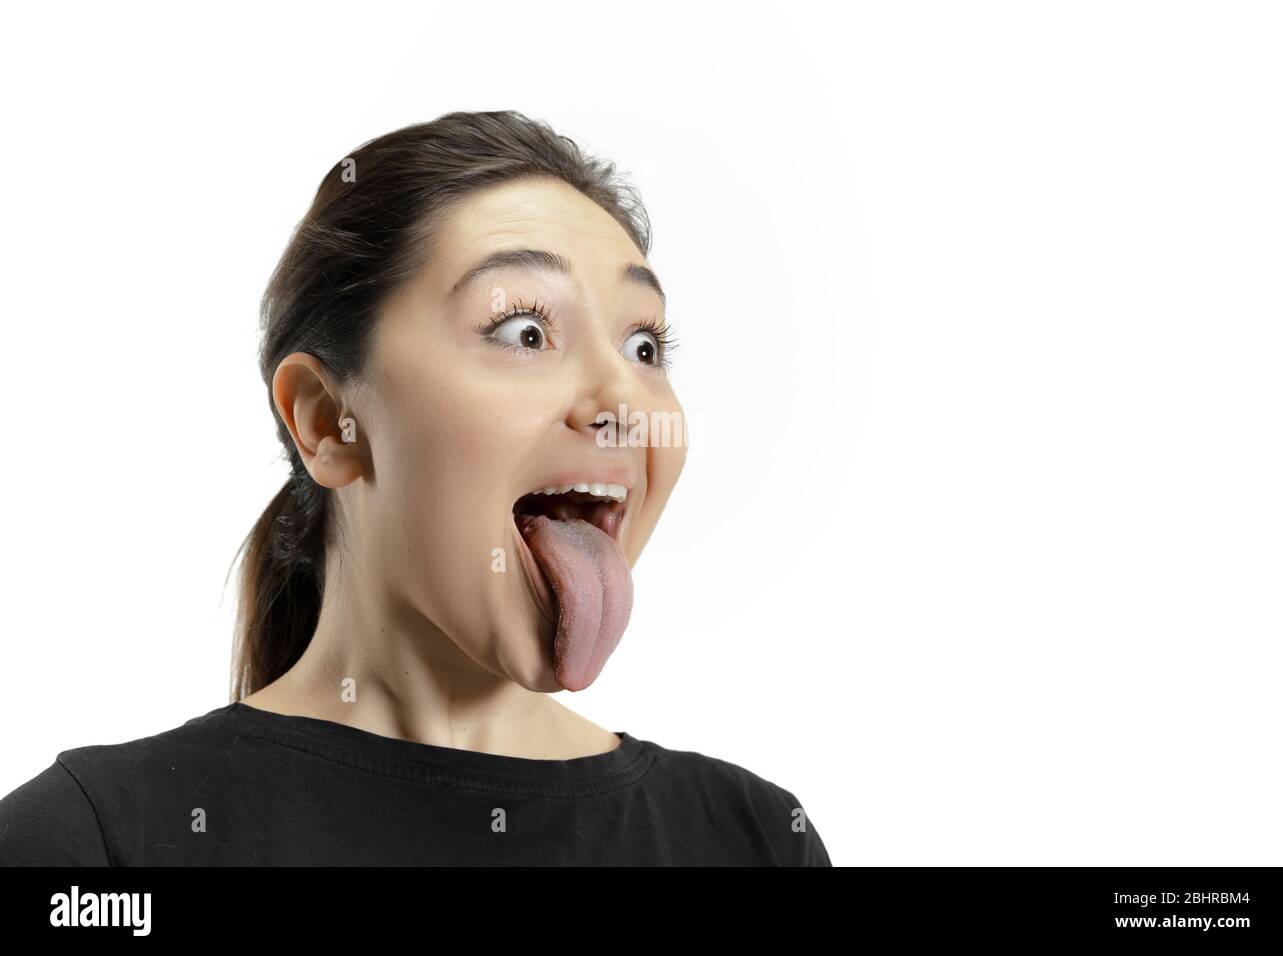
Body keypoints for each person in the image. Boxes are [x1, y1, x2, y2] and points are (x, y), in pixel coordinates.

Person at [0, 110, 831, 866]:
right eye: (526, 331)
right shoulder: (88, 844)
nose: (625, 402)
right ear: (328, 420)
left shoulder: (752, 839)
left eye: (645, 346)